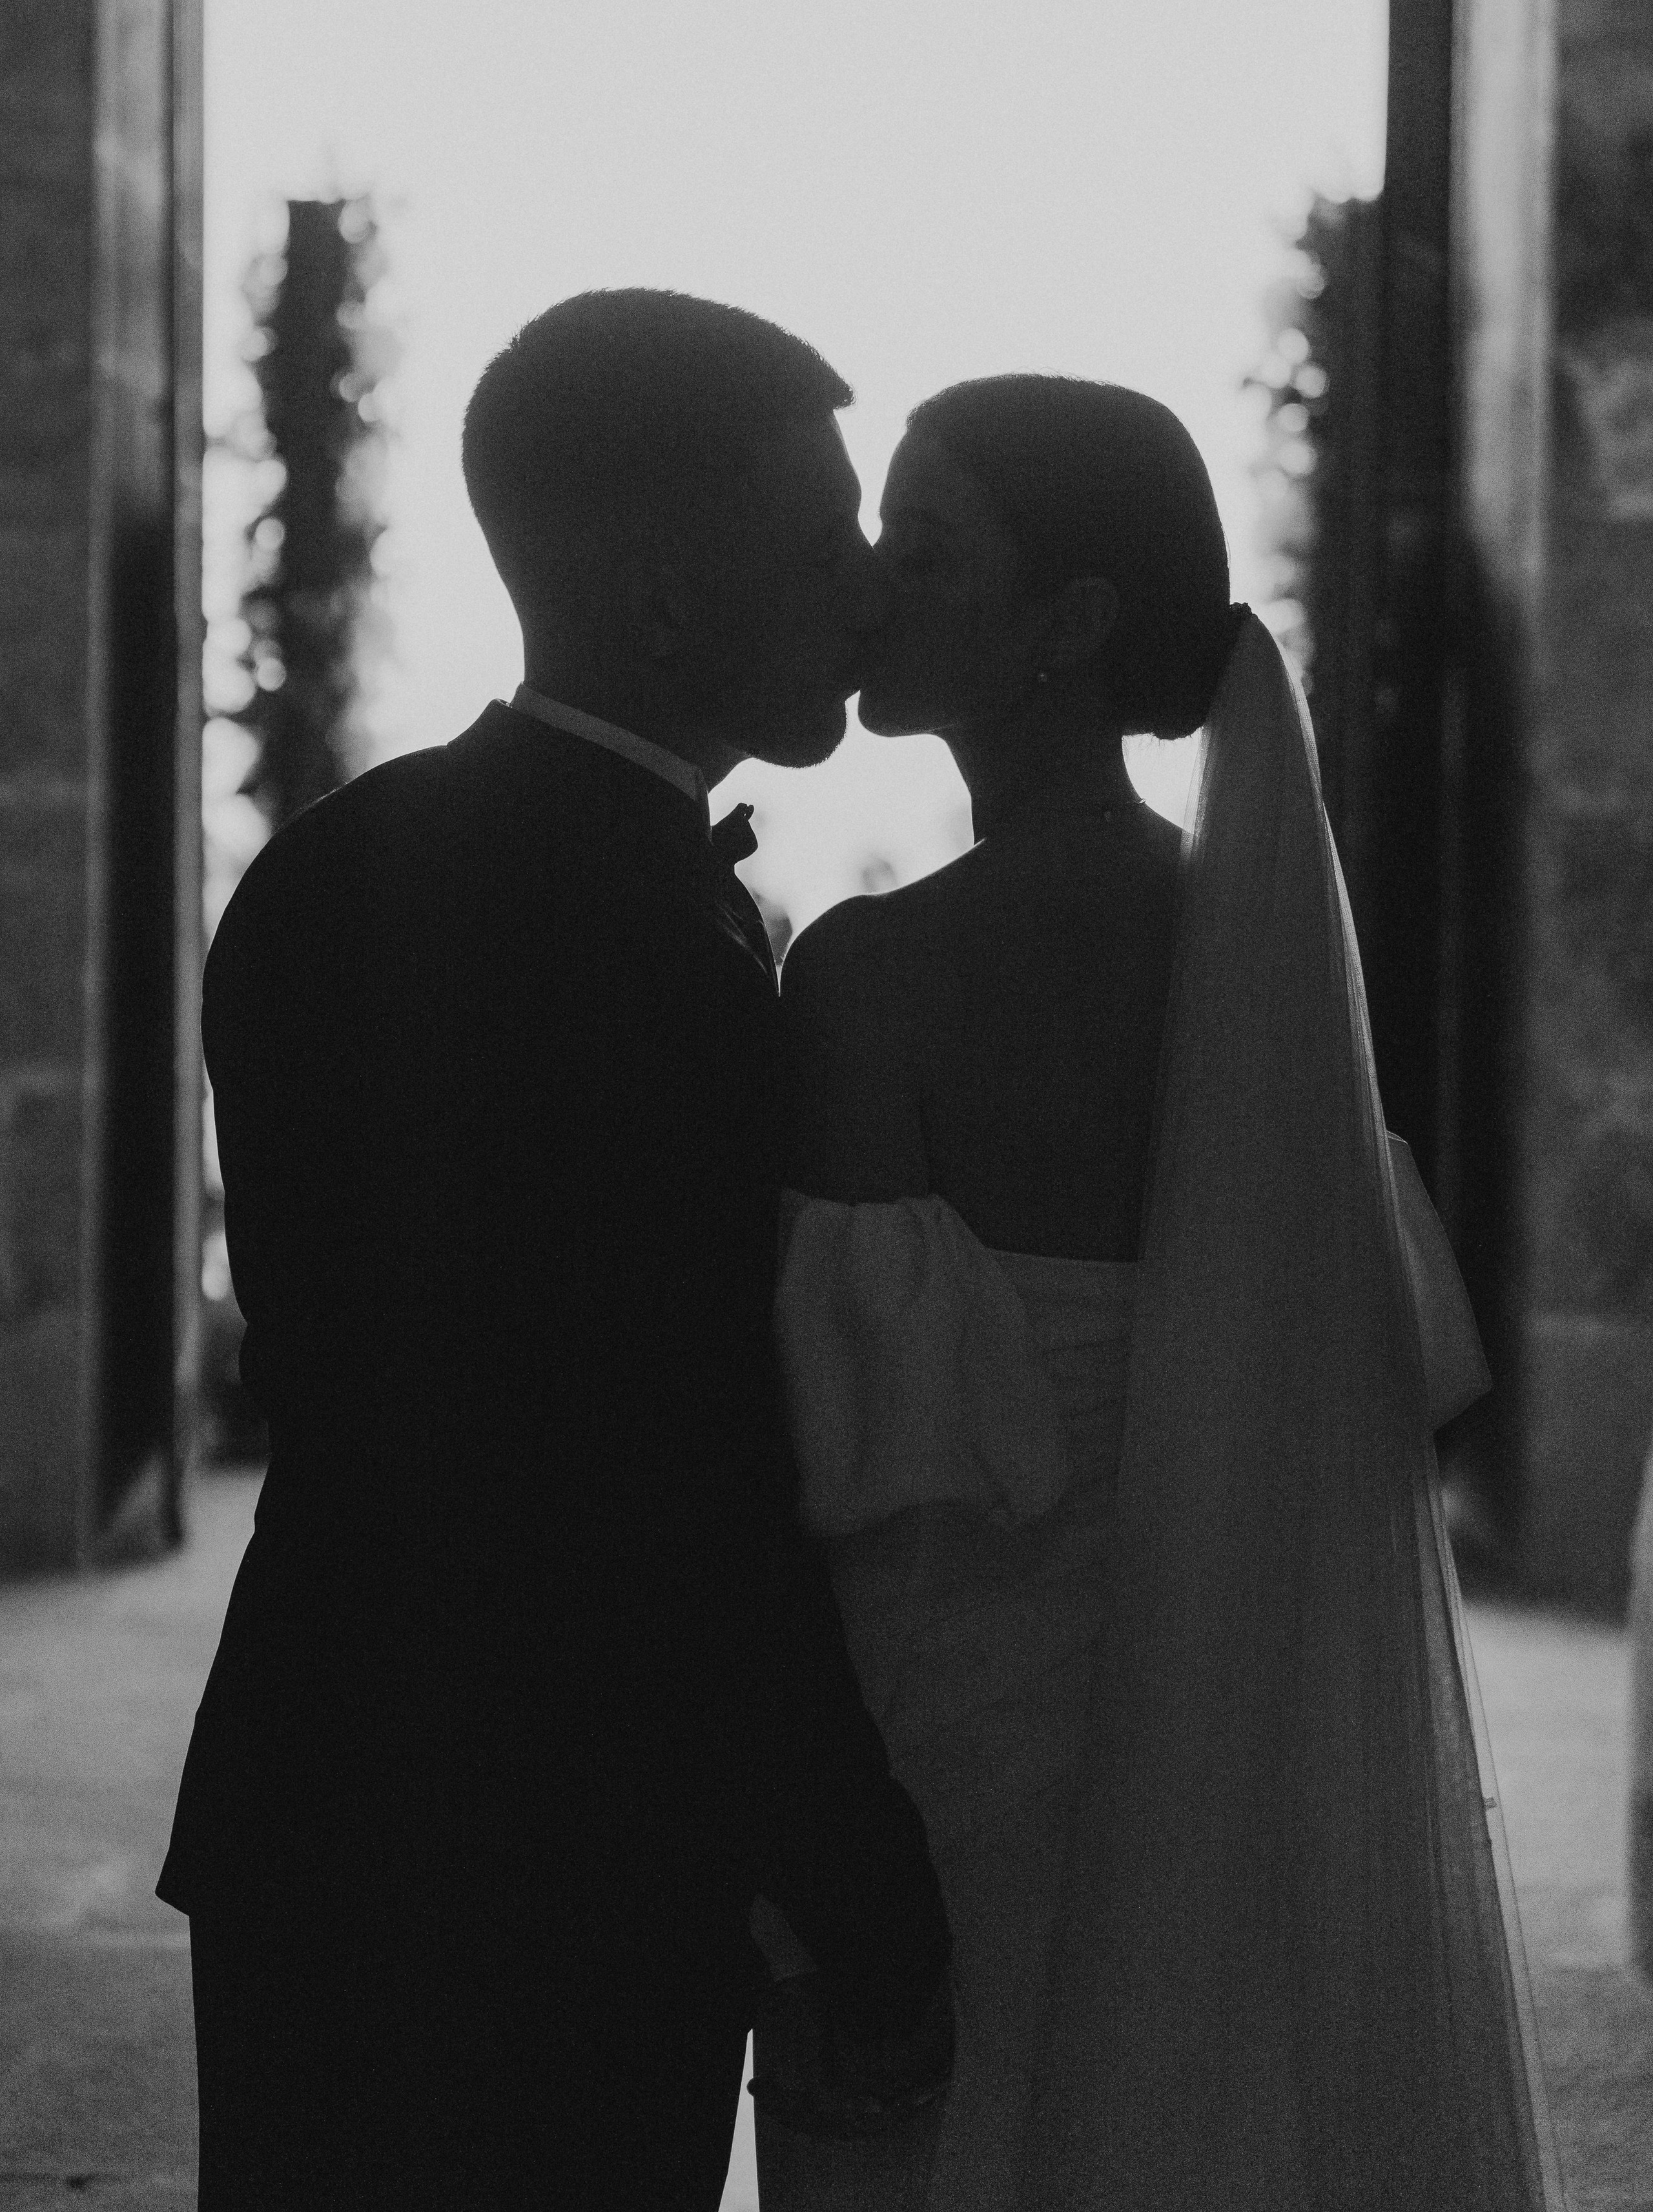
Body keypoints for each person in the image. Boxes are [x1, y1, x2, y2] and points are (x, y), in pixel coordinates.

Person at [159, 290, 954, 2211]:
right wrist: (842, 1840)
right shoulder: (672, 967)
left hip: (314, 1789)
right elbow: (674, 1467)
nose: (864, 591)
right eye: (825, 531)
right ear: (670, 595)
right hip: (567, 1860)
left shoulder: (318, 871)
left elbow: (344, 1371)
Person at [753, 375, 1568, 2208]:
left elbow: (835, 1454)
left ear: (1068, 623)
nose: (875, 580)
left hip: (949, 1756)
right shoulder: (1265, 965)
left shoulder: (876, 980)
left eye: (926, 540)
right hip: (1226, 1739)